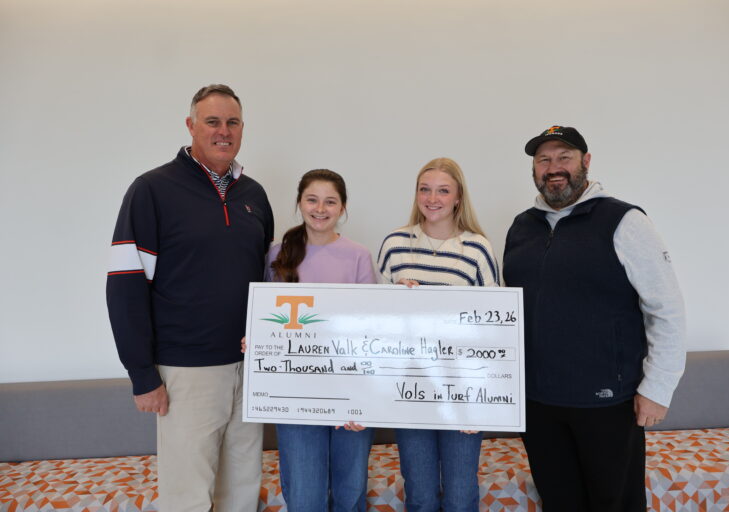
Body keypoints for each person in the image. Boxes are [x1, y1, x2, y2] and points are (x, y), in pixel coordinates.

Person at [106, 84, 274, 512]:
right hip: (186, 372)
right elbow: (125, 287)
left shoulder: (254, 196)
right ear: (191, 126)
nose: (223, 131)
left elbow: (268, 282)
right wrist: (142, 374)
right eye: (212, 121)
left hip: (248, 369)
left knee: (240, 488)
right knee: (187, 497)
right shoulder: (152, 190)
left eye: (232, 122)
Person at [503, 125, 686, 511]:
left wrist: (658, 388)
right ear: (534, 169)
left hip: (607, 403)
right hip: (537, 403)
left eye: (564, 157)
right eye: (544, 160)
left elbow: (666, 307)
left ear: (585, 162)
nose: (554, 168)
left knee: (614, 503)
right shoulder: (522, 227)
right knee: (559, 502)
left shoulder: (624, 221)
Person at [245, 169, 376, 511]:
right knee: (305, 497)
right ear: (299, 203)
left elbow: (371, 331)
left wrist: (365, 400)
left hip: (350, 394)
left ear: (343, 207)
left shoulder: (359, 255)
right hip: (295, 397)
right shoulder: (276, 254)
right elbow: (266, 321)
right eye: (312, 199)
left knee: (350, 494)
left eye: (330, 201)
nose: (320, 208)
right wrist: (255, 341)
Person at [377, 157, 499, 512]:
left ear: (459, 197)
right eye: (425, 189)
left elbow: (493, 328)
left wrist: (483, 401)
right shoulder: (394, 245)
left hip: (463, 393)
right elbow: (376, 324)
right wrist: (396, 296)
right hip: (409, 392)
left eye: (443, 190)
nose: (433, 198)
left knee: (461, 496)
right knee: (420, 495)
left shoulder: (477, 248)